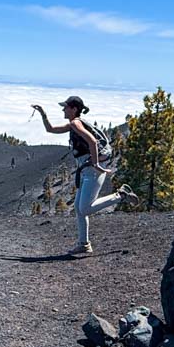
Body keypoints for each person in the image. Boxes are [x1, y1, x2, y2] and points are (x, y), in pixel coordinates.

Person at [32, 96, 139, 254]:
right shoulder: (74, 124)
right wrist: (43, 114)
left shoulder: (76, 123)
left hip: (91, 169)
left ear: (74, 109)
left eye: (65, 107)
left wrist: (95, 164)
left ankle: (121, 195)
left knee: (86, 208)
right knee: (78, 208)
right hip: (86, 169)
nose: (63, 109)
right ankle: (84, 244)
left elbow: (92, 141)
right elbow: (51, 129)